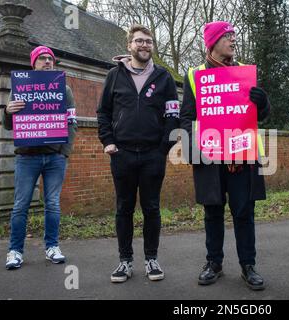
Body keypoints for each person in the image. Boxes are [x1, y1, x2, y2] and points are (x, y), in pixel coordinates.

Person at [180, 21, 270, 291]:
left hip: (243, 155)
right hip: (209, 156)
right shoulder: (194, 75)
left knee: (244, 212)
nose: (233, 40)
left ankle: (248, 265)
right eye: (227, 36)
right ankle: (214, 263)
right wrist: (193, 151)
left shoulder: (245, 72)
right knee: (212, 212)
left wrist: (262, 101)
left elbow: (262, 116)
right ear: (213, 42)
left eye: (233, 35)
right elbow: (186, 117)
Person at [97, 24, 179, 283]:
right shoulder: (114, 75)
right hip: (122, 154)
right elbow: (103, 113)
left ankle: (151, 259)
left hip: (152, 155)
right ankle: (125, 261)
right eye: (139, 41)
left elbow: (173, 115)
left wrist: (163, 148)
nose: (144, 45)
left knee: (152, 208)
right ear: (129, 45)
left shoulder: (164, 77)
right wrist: (108, 141)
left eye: (148, 42)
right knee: (124, 208)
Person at [3, 46, 77, 270]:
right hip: (27, 157)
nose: (47, 61)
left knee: (52, 204)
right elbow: (8, 126)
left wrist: (64, 153)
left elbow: (71, 123)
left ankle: (52, 247)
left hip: (55, 158)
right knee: (20, 205)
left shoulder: (64, 90)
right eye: (42, 58)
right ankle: (15, 251)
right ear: (33, 63)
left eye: (50, 59)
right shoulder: (20, 89)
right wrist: (7, 111)